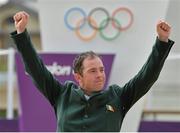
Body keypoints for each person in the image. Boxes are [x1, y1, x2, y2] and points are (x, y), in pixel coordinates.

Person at [11, 11, 174, 132]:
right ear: (78, 76)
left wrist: (161, 41)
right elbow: (36, 69)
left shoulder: (118, 96)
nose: (100, 74)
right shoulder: (62, 94)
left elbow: (146, 77)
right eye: (93, 71)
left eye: (101, 69)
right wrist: (21, 33)